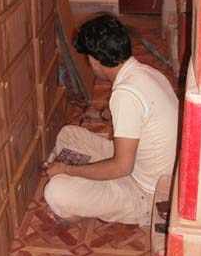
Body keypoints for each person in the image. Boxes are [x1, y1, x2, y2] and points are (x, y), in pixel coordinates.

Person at [43, 14, 178, 226]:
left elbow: (121, 167)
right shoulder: (147, 73)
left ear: (96, 60)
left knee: (55, 191)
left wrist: (67, 170)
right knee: (68, 134)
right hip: (144, 165)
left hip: (146, 194)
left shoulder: (125, 95)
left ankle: (84, 201)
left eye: (89, 59)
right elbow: (135, 115)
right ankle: (84, 182)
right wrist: (101, 114)